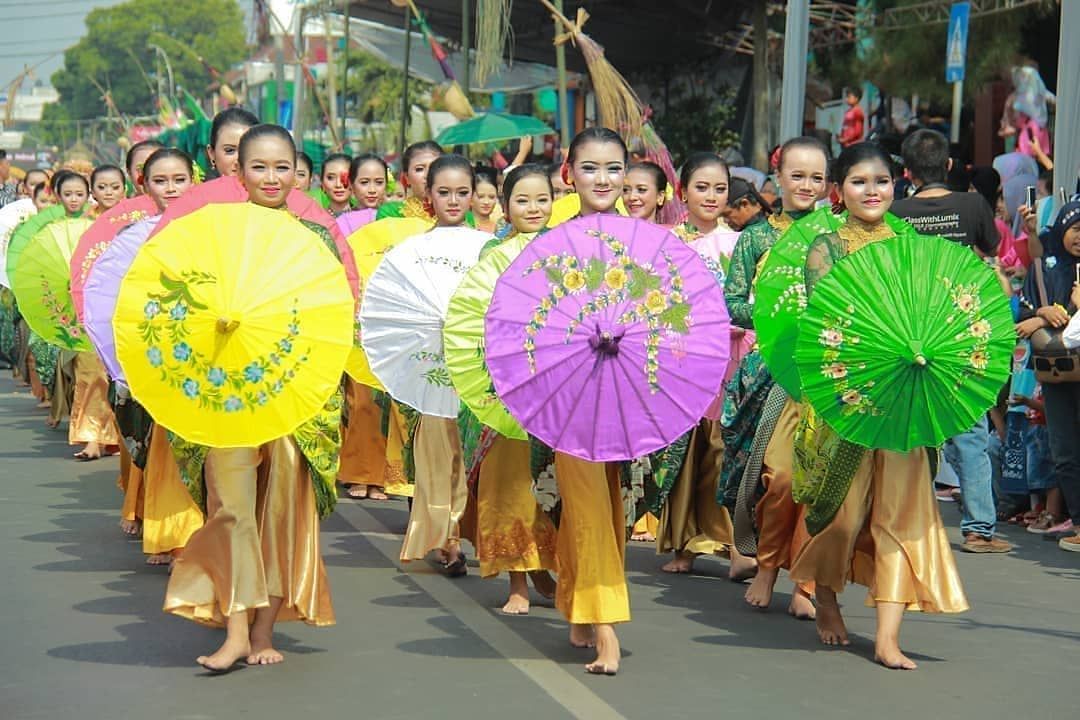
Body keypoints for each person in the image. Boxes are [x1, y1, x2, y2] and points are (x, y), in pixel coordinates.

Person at [164, 124, 340, 671]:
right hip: (226, 395)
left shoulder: (316, 240)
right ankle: (236, 627)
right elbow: (180, 311)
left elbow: (332, 319)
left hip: (293, 397)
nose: (271, 177)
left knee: (283, 511)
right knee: (231, 508)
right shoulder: (211, 235)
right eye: (258, 166)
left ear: (296, 172)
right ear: (236, 170)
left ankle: (265, 630)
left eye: (281, 167)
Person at [790, 141, 968, 670]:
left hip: (906, 402)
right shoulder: (826, 247)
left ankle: (888, 635)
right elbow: (826, 319)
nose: (873, 191)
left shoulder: (913, 244)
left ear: (898, 186)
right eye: (860, 181)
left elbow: (939, 308)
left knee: (903, 512)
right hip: (847, 399)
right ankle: (825, 592)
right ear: (837, 191)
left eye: (883, 181)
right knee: (844, 515)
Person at [723, 136, 830, 620]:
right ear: (778, 178)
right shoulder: (756, 237)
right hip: (771, 370)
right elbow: (733, 300)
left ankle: (805, 582)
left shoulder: (839, 238)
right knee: (779, 476)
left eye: (816, 177)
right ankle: (766, 565)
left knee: (821, 480)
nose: (806, 185)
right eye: (797, 175)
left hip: (827, 373)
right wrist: (777, 313)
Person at [891, 128, 1010, 553]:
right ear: (947, 166)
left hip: (909, 332)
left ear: (906, 172)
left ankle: (906, 523)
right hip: (961, 330)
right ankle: (978, 528)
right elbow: (991, 254)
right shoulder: (973, 204)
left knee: (911, 430)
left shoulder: (896, 211)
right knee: (970, 431)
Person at [547, 127, 632, 675]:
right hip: (571, 394)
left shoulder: (645, 242)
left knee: (607, 503)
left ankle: (581, 605)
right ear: (568, 174)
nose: (602, 179)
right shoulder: (552, 242)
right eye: (590, 168)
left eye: (614, 169)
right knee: (587, 503)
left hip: (625, 391)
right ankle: (606, 628)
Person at [459, 163, 558, 614]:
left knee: (551, 485)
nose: (533, 208)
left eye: (542, 199)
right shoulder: (493, 256)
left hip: (560, 385)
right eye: (523, 200)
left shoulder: (568, 249)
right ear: (505, 205)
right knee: (511, 485)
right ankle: (517, 580)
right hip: (510, 384)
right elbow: (480, 318)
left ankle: (546, 564)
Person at [652, 151, 755, 580]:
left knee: (727, 449)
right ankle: (686, 541)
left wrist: (740, 320)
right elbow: (656, 301)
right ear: (682, 192)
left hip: (734, 356)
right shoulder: (669, 243)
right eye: (701, 187)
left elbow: (754, 298)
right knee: (688, 452)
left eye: (719, 188)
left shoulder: (741, 242)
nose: (711, 196)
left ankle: (736, 544)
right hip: (686, 356)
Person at [398, 154, 478, 576]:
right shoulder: (412, 251)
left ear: (474, 194)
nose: (453, 201)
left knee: (465, 454)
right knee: (434, 455)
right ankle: (442, 537)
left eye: (461, 193)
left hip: (472, 364)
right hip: (428, 364)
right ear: (428, 195)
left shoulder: (489, 248)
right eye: (443, 192)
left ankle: (456, 532)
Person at [1016, 199, 1080, 552]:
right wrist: (1042, 311)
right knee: (1064, 449)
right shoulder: (1049, 268)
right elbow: (1023, 310)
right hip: (1057, 375)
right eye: (1075, 229)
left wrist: (1049, 316)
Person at [51, 169, 122, 461]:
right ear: (93, 191)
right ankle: (93, 438)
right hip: (92, 308)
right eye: (102, 187)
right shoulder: (84, 226)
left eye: (114, 186)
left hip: (127, 307)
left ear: (124, 187)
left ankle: (119, 436)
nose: (108, 192)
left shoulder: (137, 221)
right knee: (91, 374)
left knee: (122, 379)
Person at [377, 140, 443, 221]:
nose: (428, 175)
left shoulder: (458, 212)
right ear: (407, 177)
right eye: (419, 169)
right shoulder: (391, 213)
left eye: (435, 167)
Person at [205, 107, 260, 179]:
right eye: (230, 150)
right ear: (212, 154)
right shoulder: (197, 190)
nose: (238, 161)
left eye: (247, 151)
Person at [471, 165, 501, 234]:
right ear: (470, 198)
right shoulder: (462, 225)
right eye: (480, 197)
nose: (486, 202)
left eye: (491, 197)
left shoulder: (501, 228)